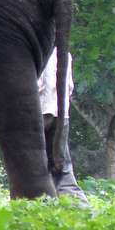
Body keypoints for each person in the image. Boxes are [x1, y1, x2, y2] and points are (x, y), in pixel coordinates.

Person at [38, 52, 89, 203]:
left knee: (34, 164)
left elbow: (37, 84)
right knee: (62, 169)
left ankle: (38, 204)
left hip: (39, 113)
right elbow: (70, 87)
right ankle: (80, 207)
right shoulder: (65, 54)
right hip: (61, 116)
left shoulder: (37, 51)